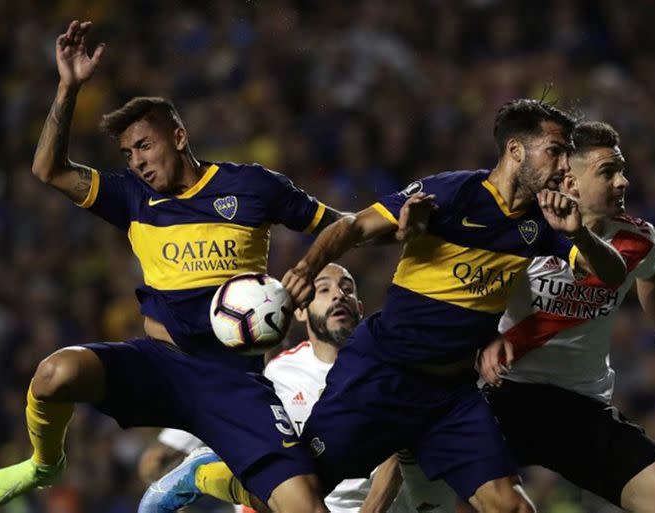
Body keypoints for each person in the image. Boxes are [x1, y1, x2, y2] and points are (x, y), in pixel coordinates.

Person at [167, 99, 627, 513]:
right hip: (383, 375)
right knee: (299, 489)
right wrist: (307, 268)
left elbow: (608, 275)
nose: (564, 164)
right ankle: (207, 475)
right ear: (515, 150)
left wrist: (578, 233)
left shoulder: (545, 219)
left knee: (511, 506)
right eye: (554, 150)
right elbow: (352, 227)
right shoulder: (450, 194)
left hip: (451, 396)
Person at [0, 20, 343, 513]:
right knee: (55, 374)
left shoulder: (252, 187)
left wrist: (319, 260)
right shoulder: (132, 196)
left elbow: (343, 225)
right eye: (128, 153)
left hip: (234, 382)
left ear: (180, 136)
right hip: (161, 365)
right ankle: (44, 464)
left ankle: (211, 478)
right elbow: (48, 170)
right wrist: (67, 87)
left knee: (305, 507)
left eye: (145, 145)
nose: (138, 161)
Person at [477, 121, 655, 513]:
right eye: (608, 172)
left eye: (622, 170)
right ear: (570, 182)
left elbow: (653, 274)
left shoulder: (638, 238)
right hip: (502, 398)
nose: (622, 182)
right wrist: (480, 345)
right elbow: (468, 295)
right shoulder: (522, 231)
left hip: (580, 405)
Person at [138, 263, 455, 513]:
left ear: (360, 307)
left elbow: (398, 453)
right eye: (324, 289)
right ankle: (206, 474)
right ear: (301, 310)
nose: (338, 295)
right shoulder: (279, 373)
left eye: (347, 289)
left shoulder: (386, 366)